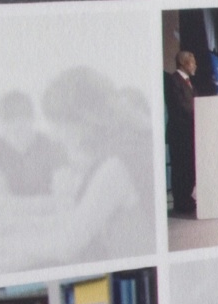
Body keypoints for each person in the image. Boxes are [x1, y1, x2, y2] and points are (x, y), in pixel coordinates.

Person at [40, 68, 153, 263]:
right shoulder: (134, 143)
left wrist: (2, 246)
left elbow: (66, 246)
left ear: (83, 120)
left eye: (58, 124)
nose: (56, 136)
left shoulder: (116, 165)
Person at [0, 91, 67, 199]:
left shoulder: (52, 145)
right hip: (11, 210)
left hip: (49, 209)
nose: (15, 126)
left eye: (21, 119)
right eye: (8, 121)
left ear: (32, 119)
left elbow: (62, 193)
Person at [164, 51, 198, 216]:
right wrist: (196, 113)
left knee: (188, 167)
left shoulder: (188, 82)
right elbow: (179, 105)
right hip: (179, 134)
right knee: (180, 168)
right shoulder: (173, 81)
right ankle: (181, 202)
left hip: (189, 133)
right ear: (184, 63)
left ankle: (187, 198)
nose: (195, 66)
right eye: (193, 62)